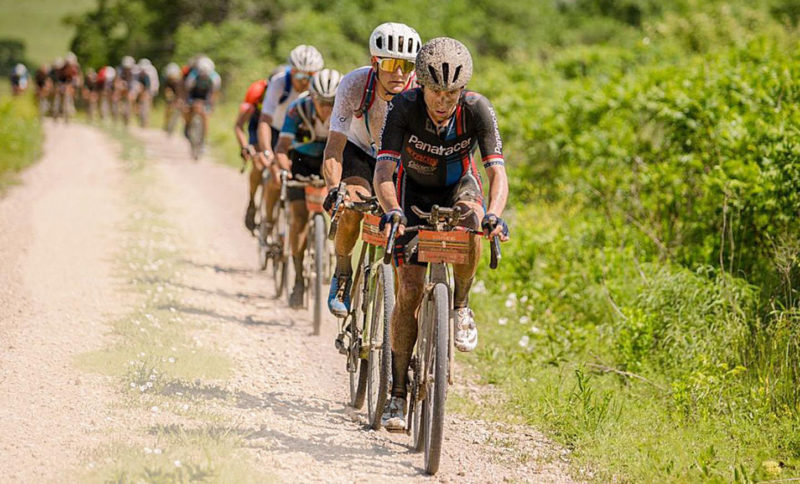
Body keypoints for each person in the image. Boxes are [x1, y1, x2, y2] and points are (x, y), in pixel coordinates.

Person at [374, 37, 510, 431]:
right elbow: (384, 171)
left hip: (458, 186)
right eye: (435, 90)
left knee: (474, 220)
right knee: (409, 292)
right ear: (420, 83)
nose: (442, 100)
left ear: (462, 89)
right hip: (410, 190)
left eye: (451, 92)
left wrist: (494, 216)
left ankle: (461, 305)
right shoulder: (403, 107)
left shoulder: (477, 109)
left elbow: (496, 171)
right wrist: (393, 211)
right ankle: (396, 396)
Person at [321, 22, 421, 318]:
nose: (399, 73)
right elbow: (334, 147)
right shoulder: (353, 85)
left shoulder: (420, 90)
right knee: (352, 205)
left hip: (401, 159)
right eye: (391, 64)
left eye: (406, 64)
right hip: (361, 152)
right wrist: (332, 190)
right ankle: (342, 273)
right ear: (374, 63)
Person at [274, 69, 342, 307]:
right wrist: (284, 170)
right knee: (299, 217)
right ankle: (299, 280)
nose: (327, 108)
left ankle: (333, 254)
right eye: (322, 102)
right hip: (301, 161)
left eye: (333, 102)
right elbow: (282, 148)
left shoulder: (347, 110)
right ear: (312, 97)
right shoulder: (297, 108)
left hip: (331, 161)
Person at [256, 45, 324, 234]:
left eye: (309, 76)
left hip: (301, 132)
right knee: (274, 176)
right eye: (299, 75)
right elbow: (264, 121)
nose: (304, 81)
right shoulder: (279, 84)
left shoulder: (320, 88)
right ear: (290, 70)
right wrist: (267, 153)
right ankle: (268, 222)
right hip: (277, 129)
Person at [183, 56, 221, 144]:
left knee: (205, 115)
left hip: (207, 95)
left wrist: (211, 105)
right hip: (194, 93)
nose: (203, 76)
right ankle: (187, 125)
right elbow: (188, 90)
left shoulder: (215, 78)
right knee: (188, 110)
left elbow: (214, 94)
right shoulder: (193, 75)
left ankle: (204, 139)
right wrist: (187, 103)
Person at [162, 62, 183, 133]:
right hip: (170, 91)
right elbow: (166, 89)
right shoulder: (166, 79)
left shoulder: (180, 80)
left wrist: (178, 100)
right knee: (168, 106)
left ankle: (174, 125)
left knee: (179, 107)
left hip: (178, 92)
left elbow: (180, 92)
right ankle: (166, 123)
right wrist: (169, 99)